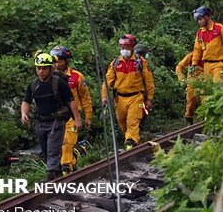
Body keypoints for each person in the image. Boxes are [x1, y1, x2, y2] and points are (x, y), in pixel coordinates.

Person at [21, 52, 81, 181]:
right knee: (46, 150)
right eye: (38, 68)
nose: (41, 71)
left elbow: (71, 101)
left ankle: (51, 176)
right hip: (40, 122)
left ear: (50, 69)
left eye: (44, 68)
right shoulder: (33, 85)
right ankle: (57, 174)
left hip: (56, 121)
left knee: (53, 149)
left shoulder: (59, 83)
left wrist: (77, 119)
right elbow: (26, 101)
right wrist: (24, 114)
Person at [101, 34, 154, 150]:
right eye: (122, 47)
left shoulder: (141, 62)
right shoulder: (115, 63)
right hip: (119, 99)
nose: (124, 49)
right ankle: (131, 139)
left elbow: (149, 82)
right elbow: (107, 80)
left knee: (132, 121)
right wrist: (104, 96)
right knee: (122, 122)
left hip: (136, 97)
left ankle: (130, 143)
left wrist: (149, 98)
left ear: (133, 47)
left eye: (127, 47)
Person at [50, 45, 93, 175]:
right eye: (55, 62)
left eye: (60, 62)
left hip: (72, 117)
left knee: (67, 143)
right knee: (57, 146)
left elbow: (85, 98)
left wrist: (88, 117)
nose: (57, 65)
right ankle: (73, 158)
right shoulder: (48, 77)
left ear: (66, 61)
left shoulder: (76, 77)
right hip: (55, 117)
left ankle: (66, 169)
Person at [191, 6, 223, 84]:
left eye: (200, 19)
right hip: (206, 66)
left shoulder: (220, 28)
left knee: (217, 87)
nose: (199, 22)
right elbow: (197, 50)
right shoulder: (200, 33)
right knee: (207, 91)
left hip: (219, 64)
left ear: (207, 17)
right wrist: (194, 64)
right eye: (198, 20)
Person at [175, 51, 203, 125]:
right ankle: (189, 119)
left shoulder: (209, 57)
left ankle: (206, 119)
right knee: (191, 102)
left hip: (204, 82)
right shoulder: (191, 56)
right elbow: (179, 67)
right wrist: (182, 79)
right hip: (192, 82)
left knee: (205, 100)